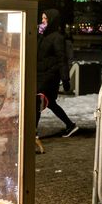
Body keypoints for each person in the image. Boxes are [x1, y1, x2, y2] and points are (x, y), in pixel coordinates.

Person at [37, 9, 78, 138]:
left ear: (52, 20)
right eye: (42, 19)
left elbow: (62, 59)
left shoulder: (57, 38)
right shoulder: (43, 36)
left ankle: (33, 132)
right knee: (51, 104)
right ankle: (70, 125)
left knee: (37, 100)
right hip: (41, 74)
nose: (42, 21)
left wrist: (65, 80)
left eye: (45, 19)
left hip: (50, 76)